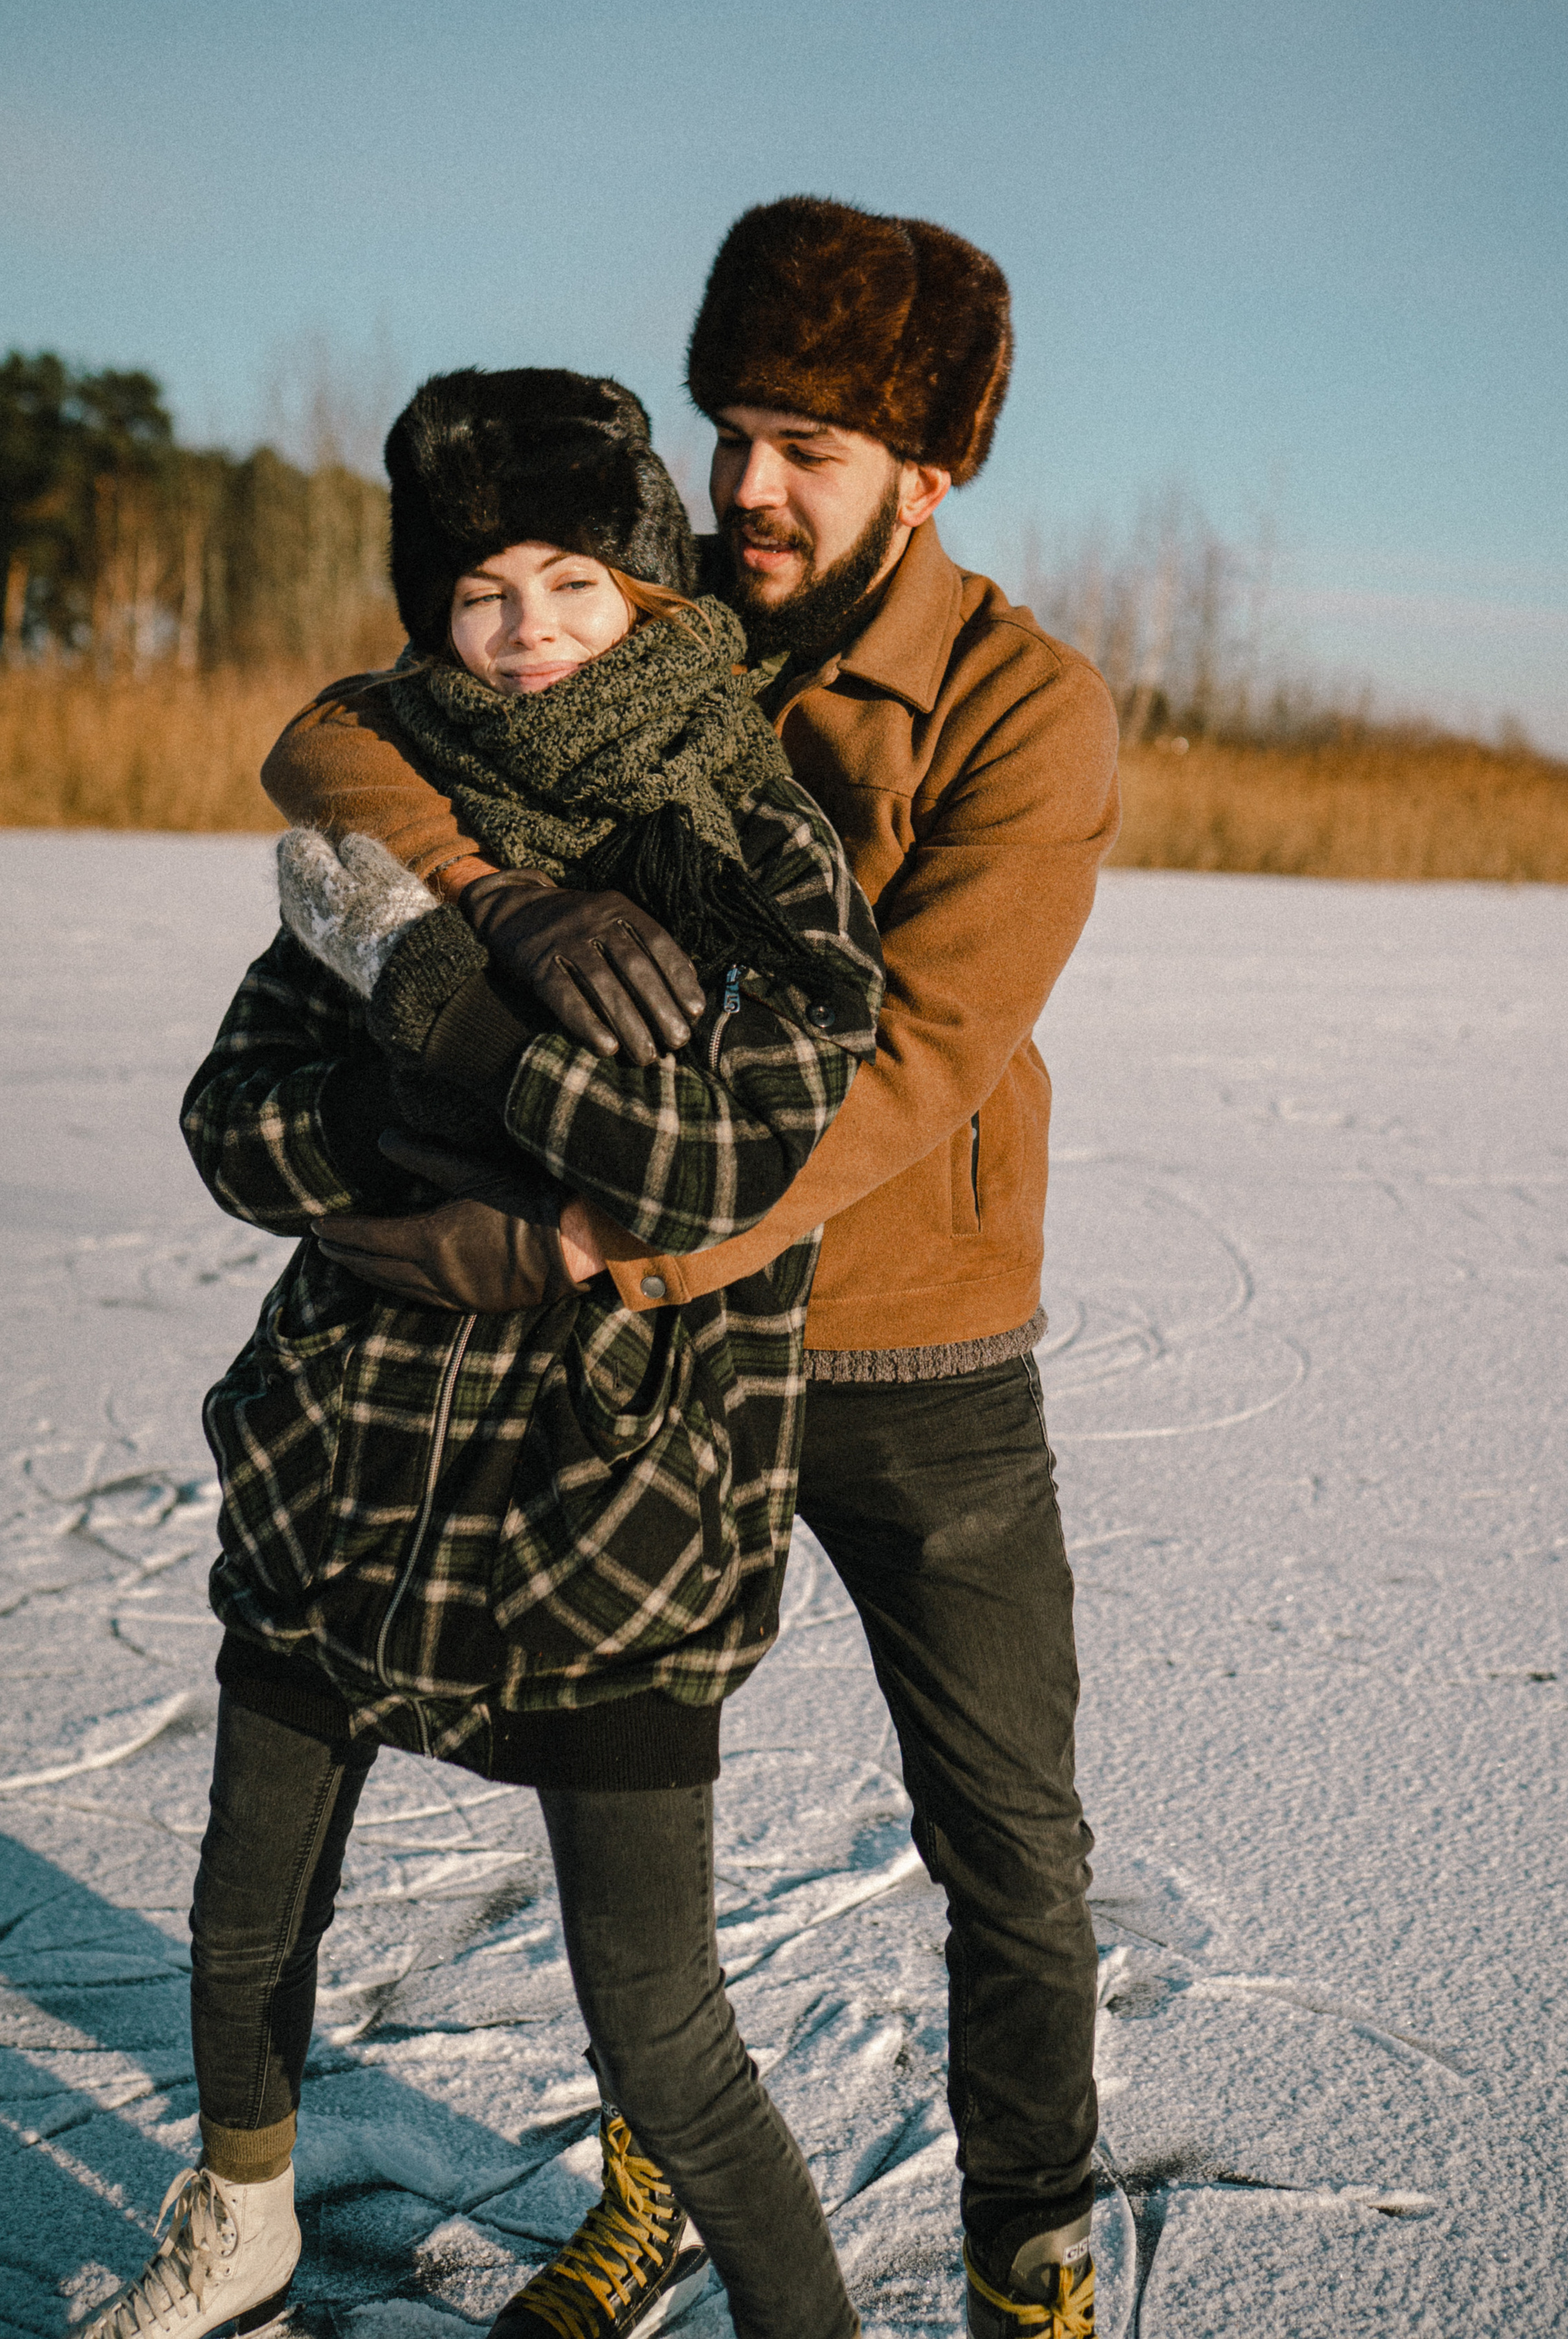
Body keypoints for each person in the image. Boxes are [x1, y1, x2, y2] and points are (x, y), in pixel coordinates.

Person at [265, 204, 1122, 2339]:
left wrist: (589, 1248)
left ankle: (1028, 2241)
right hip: (662, 1374)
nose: (747, 485)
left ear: (929, 479)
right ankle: (655, 2188)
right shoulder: (658, 630)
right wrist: (488, 896)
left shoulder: (1029, 704)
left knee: (1008, 1832)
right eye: (736, 427)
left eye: (810, 447)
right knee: (636, 1816)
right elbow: (332, 745)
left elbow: (922, 1056)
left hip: (916, 1356)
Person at [83, 369, 883, 2339]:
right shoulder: (375, 855)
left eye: (571, 584)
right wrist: (446, 1108)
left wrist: (459, 1056)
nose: (523, 629)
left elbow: (721, 1165)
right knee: (244, 1905)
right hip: (340, 1458)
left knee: (659, 2021)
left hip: (609, 1505)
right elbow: (235, 1119)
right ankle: (245, 2218)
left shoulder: (751, 847)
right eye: (479, 592)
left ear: (653, 595)